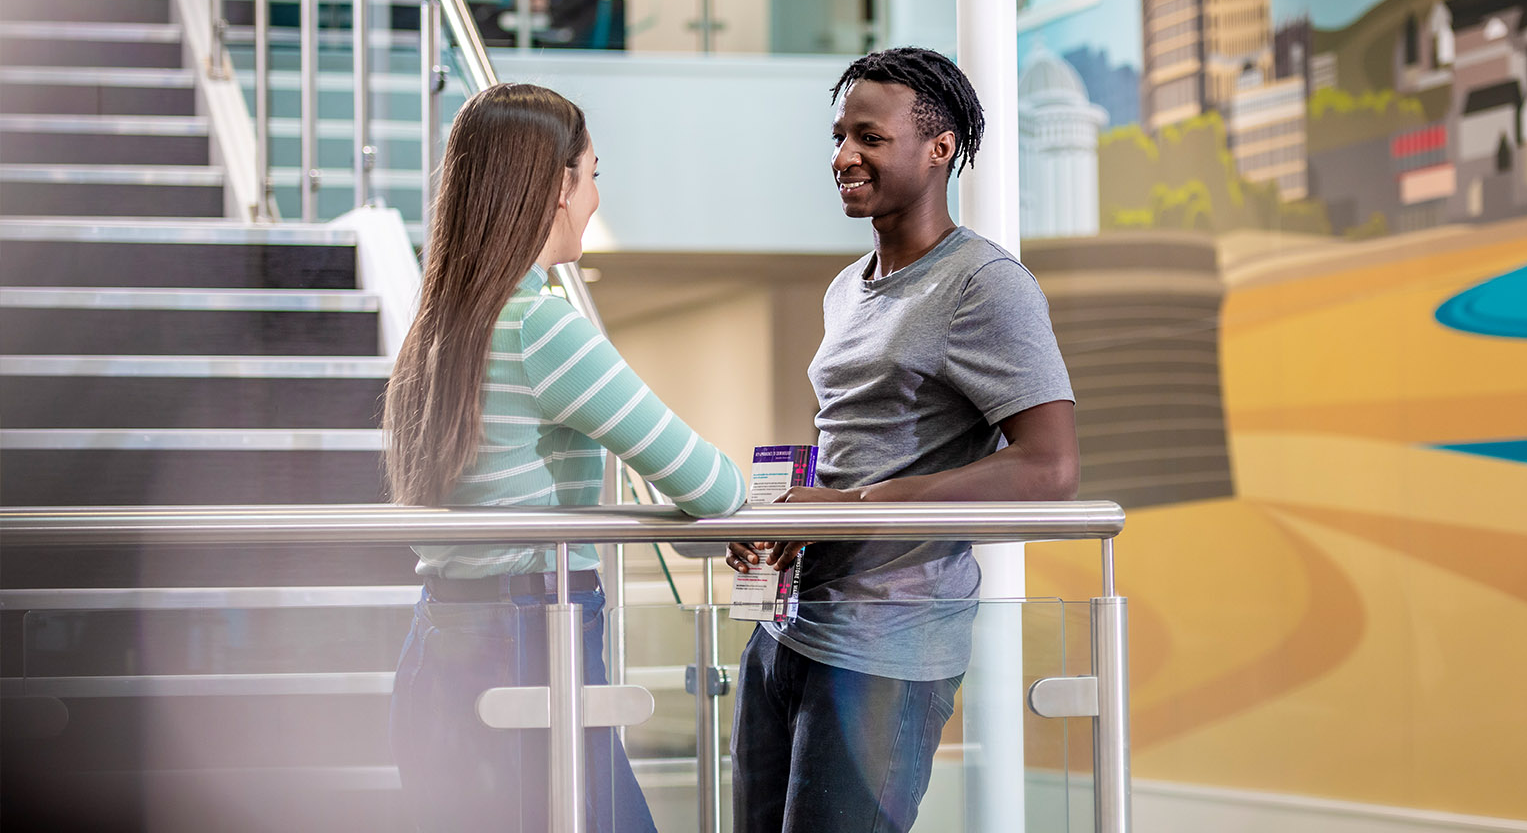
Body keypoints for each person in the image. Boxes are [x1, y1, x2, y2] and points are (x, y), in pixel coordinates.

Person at [726, 48, 1082, 833]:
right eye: (839, 136)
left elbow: (1050, 468)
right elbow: (859, 439)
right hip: (787, 630)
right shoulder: (845, 286)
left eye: (869, 138)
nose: (843, 156)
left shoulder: (985, 284)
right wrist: (783, 525)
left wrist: (848, 506)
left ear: (939, 148)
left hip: (887, 653)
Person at [384, 82, 745, 832]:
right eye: (593, 175)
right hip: (528, 635)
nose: (594, 199)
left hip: (442, 636)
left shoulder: (442, 326)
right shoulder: (542, 326)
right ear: (556, 186)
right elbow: (711, 484)